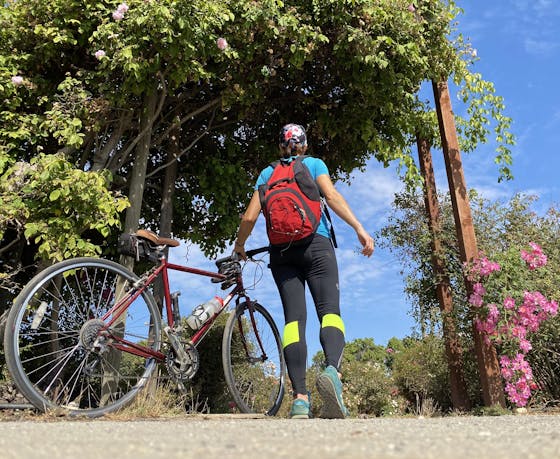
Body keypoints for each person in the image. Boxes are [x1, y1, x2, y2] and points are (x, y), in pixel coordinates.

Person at [233, 123, 374, 419]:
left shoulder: (266, 174)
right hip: (316, 244)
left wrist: (240, 245)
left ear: (280, 146)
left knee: (293, 322)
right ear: (304, 145)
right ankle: (332, 372)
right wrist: (359, 228)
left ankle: (299, 400)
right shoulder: (313, 164)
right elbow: (332, 196)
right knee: (330, 312)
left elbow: (249, 216)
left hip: (282, 254)